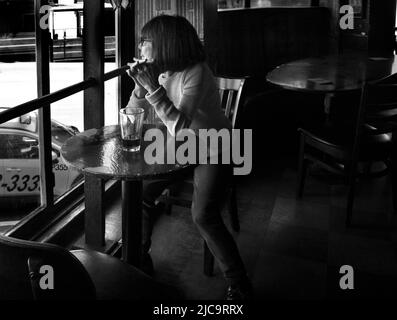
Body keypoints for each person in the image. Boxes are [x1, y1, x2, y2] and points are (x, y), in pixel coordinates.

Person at [125, 15, 252, 300]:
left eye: (145, 41)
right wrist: (138, 87)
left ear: (165, 44)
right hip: (183, 147)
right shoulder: (159, 71)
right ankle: (140, 260)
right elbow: (132, 114)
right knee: (140, 194)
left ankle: (239, 283)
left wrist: (154, 90)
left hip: (215, 146)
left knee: (203, 215)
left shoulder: (197, 71)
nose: (141, 46)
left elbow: (182, 128)